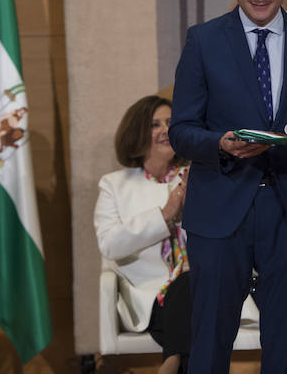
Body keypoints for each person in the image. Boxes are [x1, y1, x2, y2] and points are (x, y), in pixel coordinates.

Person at [169, 0, 287, 373]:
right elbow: (181, 131)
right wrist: (220, 144)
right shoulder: (203, 41)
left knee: (284, 348)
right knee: (209, 344)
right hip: (221, 208)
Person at [94, 96, 194, 374]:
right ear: (137, 133)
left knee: (193, 284)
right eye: (155, 124)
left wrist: (196, 208)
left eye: (171, 123)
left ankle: (171, 362)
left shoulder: (198, 176)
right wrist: (164, 215)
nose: (165, 130)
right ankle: (173, 361)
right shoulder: (114, 185)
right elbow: (110, 245)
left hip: (202, 290)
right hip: (152, 298)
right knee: (189, 296)